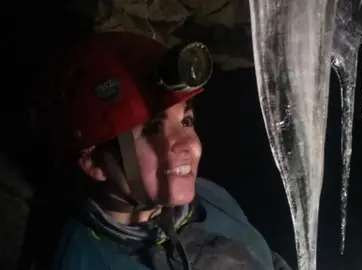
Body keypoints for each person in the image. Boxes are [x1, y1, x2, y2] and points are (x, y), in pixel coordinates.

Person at [26, 31, 292, 270]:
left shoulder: (211, 197)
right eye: (153, 129)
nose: (189, 143)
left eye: (186, 121)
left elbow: (269, 260)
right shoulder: (81, 261)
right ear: (95, 162)